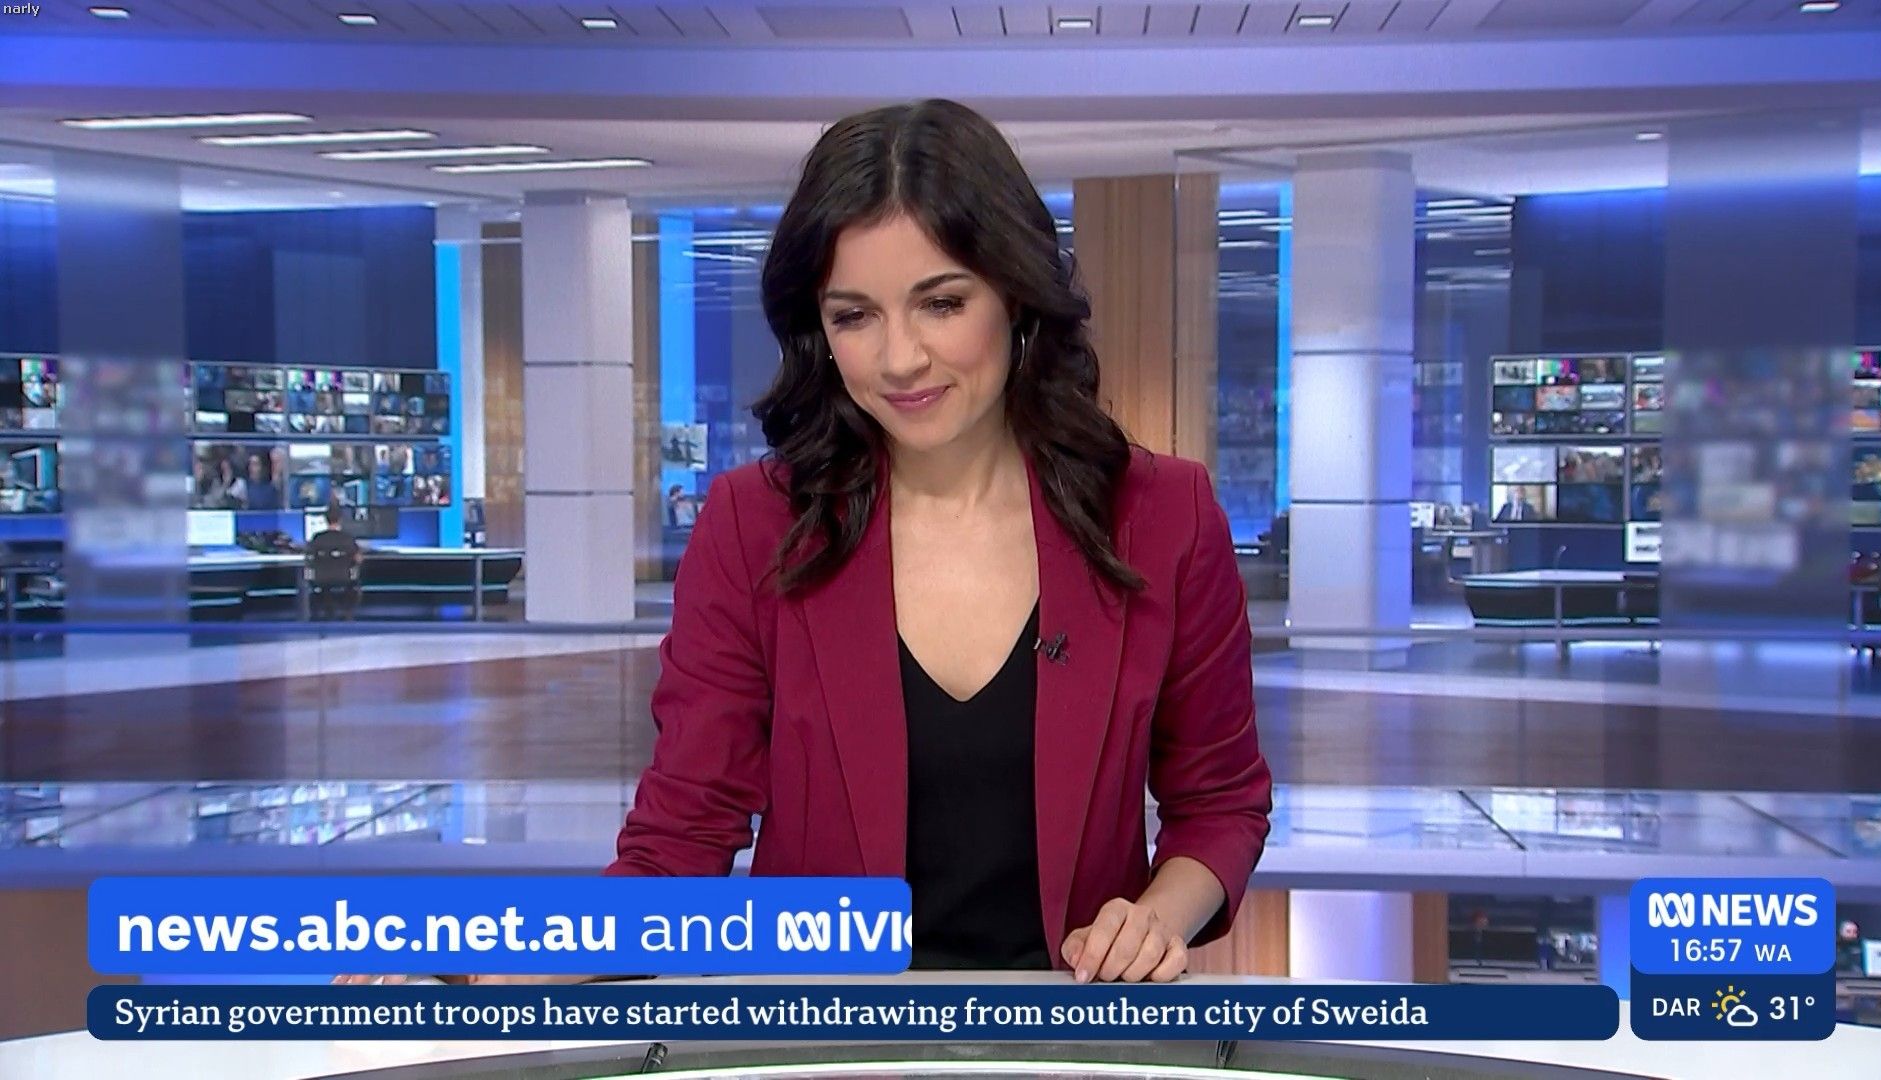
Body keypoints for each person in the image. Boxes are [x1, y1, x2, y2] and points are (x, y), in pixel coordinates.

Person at [341, 98, 1272, 986]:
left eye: (942, 303)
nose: (899, 358)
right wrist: (493, 960)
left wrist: (1158, 917)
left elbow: (1220, 803)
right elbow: (683, 835)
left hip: (1069, 1032)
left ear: (1017, 297)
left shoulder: (1163, 515)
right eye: (853, 315)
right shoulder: (755, 526)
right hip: (817, 1030)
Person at [304, 503, 361, 620]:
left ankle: (325, 611)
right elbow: (358, 559)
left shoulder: (317, 538)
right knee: (355, 585)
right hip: (343, 577)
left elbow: (309, 557)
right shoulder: (348, 538)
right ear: (340, 519)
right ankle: (347, 614)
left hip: (320, 578)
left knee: (321, 586)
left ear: (325, 519)